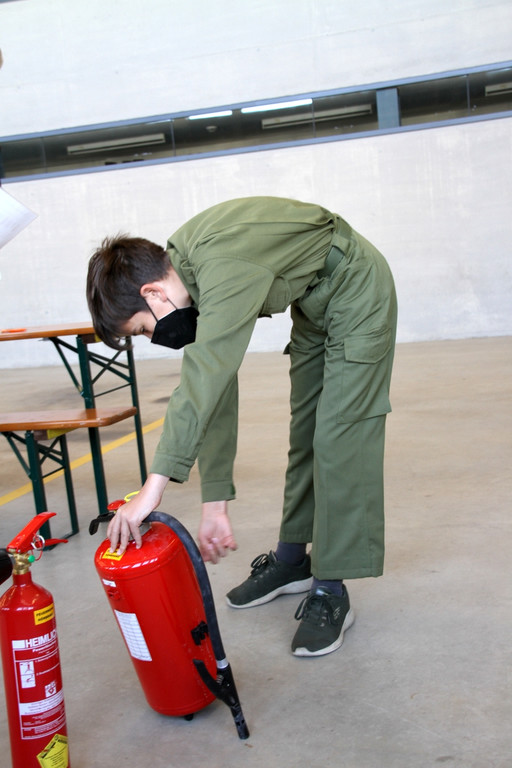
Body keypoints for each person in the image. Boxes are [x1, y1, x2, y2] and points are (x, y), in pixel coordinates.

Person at [86, 196, 397, 657]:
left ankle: (331, 588)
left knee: (340, 438)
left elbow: (202, 382)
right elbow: (218, 385)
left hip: (356, 288)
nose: (152, 338)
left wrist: (152, 489)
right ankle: (292, 561)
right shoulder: (189, 271)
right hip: (313, 302)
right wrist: (215, 501)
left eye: (142, 330)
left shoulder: (223, 267)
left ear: (153, 294)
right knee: (306, 435)